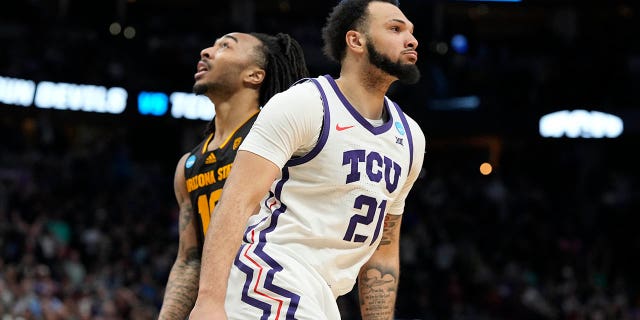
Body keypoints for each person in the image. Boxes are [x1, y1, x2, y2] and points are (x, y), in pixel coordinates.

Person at [189, 0, 425, 318]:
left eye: (410, 31)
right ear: (356, 40)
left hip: (323, 296)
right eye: (395, 29)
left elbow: (383, 249)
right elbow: (235, 202)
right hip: (269, 277)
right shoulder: (307, 103)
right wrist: (209, 301)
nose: (411, 40)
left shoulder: (411, 137)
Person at [157, 31, 309, 319]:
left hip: (280, 298)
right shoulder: (189, 165)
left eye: (225, 46)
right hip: (221, 306)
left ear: (254, 75)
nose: (205, 51)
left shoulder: (282, 139)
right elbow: (190, 259)